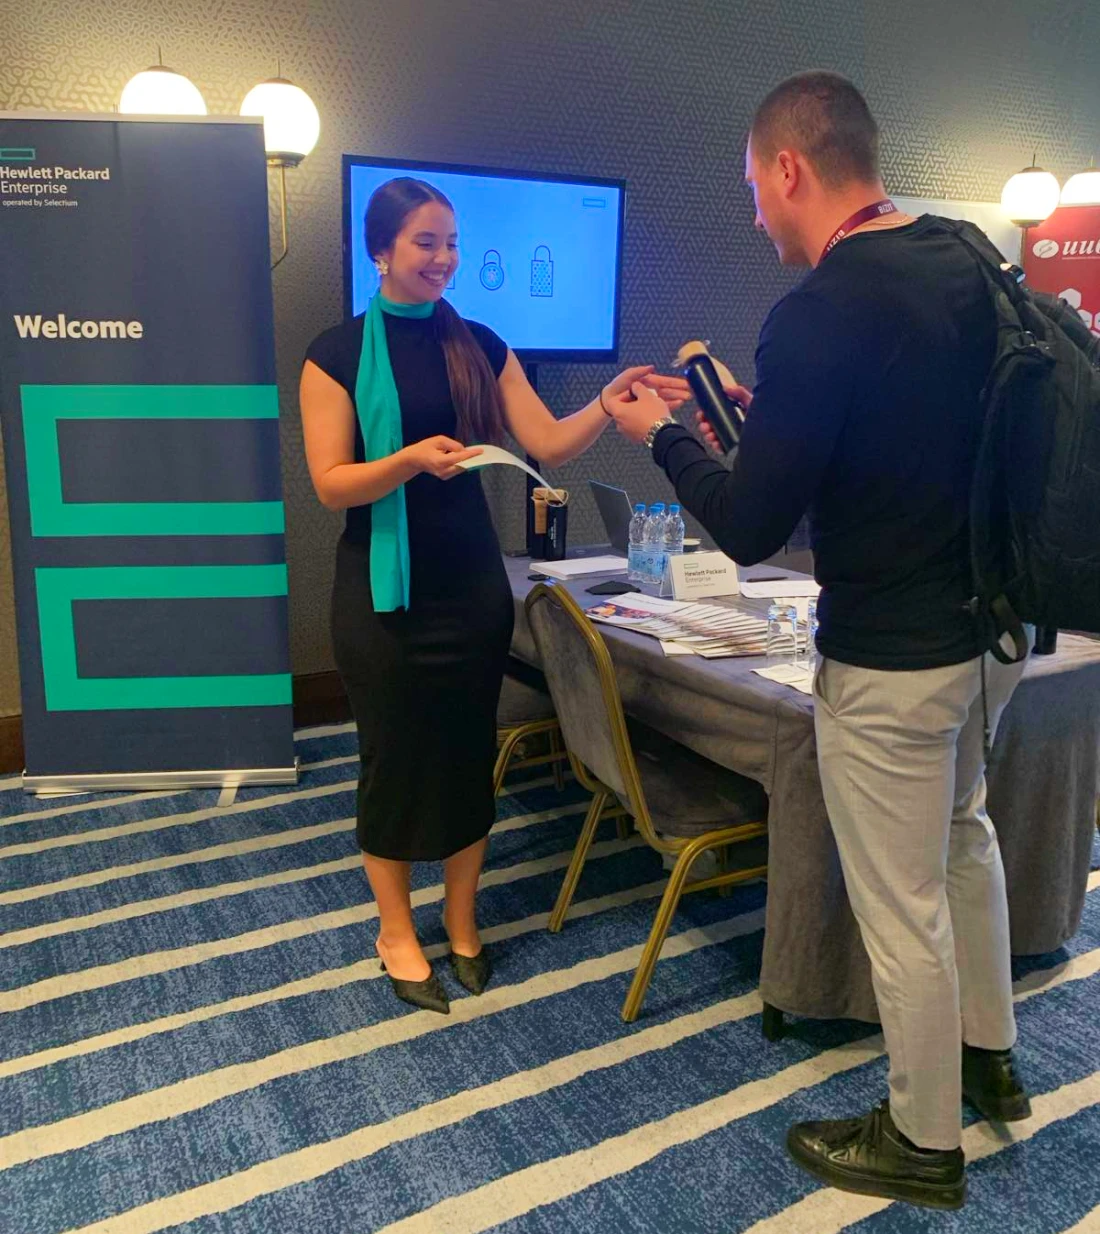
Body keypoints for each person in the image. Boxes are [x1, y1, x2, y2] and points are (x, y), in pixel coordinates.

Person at [607, 72, 1030, 1211]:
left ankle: (920, 1135)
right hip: (986, 634)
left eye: (753, 188)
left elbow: (748, 525)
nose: (752, 214)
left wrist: (661, 437)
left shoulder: (823, 306)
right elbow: (892, 437)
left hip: (888, 655)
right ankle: (989, 1062)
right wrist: (765, 410)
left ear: (790, 168)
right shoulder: (965, 259)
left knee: (901, 906)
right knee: (963, 844)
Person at [300, 177, 689, 1017]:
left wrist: (607, 401)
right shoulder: (334, 353)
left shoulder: (477, 340)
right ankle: (395, 932)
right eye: (424, 243)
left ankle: (463, 917)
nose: (443, 259)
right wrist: (409, 462)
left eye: (450, 243)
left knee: (468, 752)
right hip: (380, 593)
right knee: (394, 760)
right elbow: (331, 484)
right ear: (381, 250)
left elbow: (546, 438)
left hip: (470, 586)